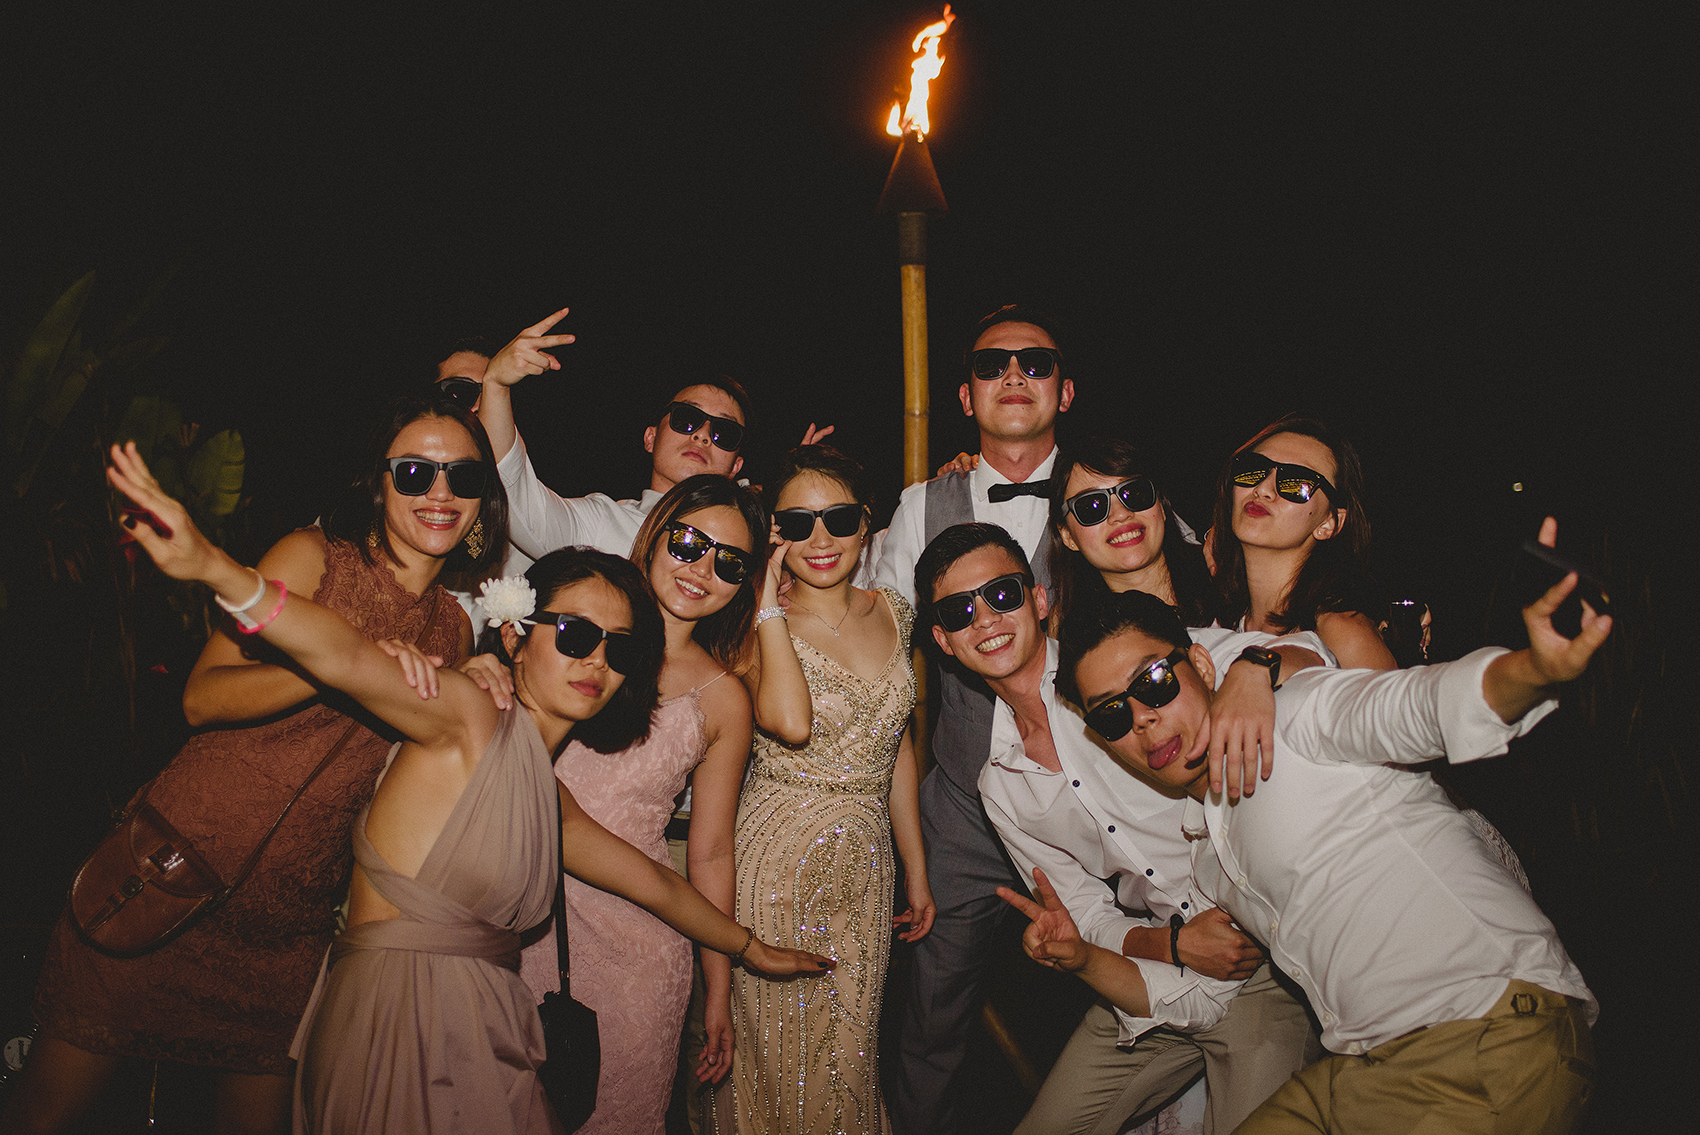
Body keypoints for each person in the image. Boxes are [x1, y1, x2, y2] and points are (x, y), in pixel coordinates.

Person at [101, 447, 832, 1135]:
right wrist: (214, 567)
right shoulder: (468, 714)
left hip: (490, 1027)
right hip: (393, 1023)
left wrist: (749, 949)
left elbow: (655, 882)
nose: (595, 662)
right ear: (515, 635)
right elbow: (345, 655)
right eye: (575, 634)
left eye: (620, 649)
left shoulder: (545, 791)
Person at [3, 392, 506, 1135]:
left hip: (287, 930)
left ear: (482, 500)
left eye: (462, 477)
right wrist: (341, 664)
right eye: (414, 472)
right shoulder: (314, 557)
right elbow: (202, 696)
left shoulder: (453, 629)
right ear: (379, 482)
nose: (439, 493)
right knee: (45, 1112)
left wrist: (487, 681)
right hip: (171, 869)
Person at [1046, 527, 1604, 1133]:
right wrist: (1087, 956)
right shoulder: (1207, 855)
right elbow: (1203, 992)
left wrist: (1532, 670)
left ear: (1201, 664)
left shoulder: (1293, 715)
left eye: (1154, 681)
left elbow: (1418, 706)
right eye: (1111, 714)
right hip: (1363, 1064)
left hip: (1486, 1026)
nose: (1142, 718)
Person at [916, 523, 1324, 1135]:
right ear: (942, 641)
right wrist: (1175, 946)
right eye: (959, 611)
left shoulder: (1119, 659)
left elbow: (1311, 652)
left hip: (1267, 966)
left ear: (1039, 599)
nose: (986, 619)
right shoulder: (999, 785)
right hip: (1156, 977)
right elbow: (1083, 914)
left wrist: (1255, 668)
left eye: (1002, 594)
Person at [873, 304, 1074, 1135]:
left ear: (1065, 389)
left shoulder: (1112, 492)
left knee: (1116, 1005)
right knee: (932, 1019)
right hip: (959, 807)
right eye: (993, 364)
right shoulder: (922, 502)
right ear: (965, 395)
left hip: (1090, 800)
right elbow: (875, 634)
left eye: (1035, 361)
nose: (1014, 375)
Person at [517, 474, 766, 1134]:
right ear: (655, 535)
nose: (702, 569)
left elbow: (711, 851)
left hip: (638, 947)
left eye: (730, 562)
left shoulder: (724, 697)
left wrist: (718, 988)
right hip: (521, 920)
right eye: (689, 543)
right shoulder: (573, 637)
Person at [712, 445, 934, 1134]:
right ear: (772, 532)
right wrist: (765, 605)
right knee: (778, 1058)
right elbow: (789, 721)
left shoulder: (896, 611)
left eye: (838, 518)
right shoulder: (749, 624)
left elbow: (896, 747)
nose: (820, 539)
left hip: (867, 867)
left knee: (852, 1053)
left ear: (866, 523)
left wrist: (916, 869)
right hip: (777, 861)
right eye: (797, 522)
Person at [474, 306, 754, 561]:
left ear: (736, 467)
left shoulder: (749, 548)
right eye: (687, 418)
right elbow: (519, 499)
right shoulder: (602, 523)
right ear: (651, 438)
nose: (703, 435)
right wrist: (496, 386)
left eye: (724, 432)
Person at [1208, 415, 1395, 669]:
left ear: (1329, 523)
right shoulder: (1217, 621)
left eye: (1296, 483)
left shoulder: (1342, 633)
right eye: (1254, 469)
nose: (1263, 489)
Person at [1046, 436, 1217, 633]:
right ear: (1067, 535)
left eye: (1134, 492)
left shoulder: (1225, 578)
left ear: (1162, 506)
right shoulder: (1070, 625)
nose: (1121, 514)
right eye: (1093, 505)